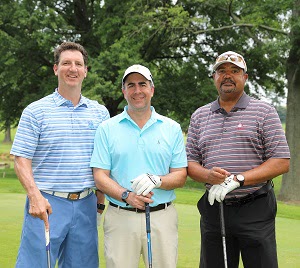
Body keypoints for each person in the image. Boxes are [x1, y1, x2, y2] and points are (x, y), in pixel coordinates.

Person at [186, 51, 290, 268]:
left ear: (245, 77)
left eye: (235, 71)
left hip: (255, 207)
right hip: (215, 209)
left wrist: (239, 179)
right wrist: (207, 175)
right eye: (221, 71)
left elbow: (281, 160)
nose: (227, 75)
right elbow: (190, 163)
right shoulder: (199, 116)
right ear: (214, 77)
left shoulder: (264, 112)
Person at [10, 41, 110, 268]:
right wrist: (34, 196)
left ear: (85, 71)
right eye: (66, 63)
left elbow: (103, 162)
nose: (72, 69)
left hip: (86, 203)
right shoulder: (36, 111)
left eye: (78, 64)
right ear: (56, 69)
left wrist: (100, 201)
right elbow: (21, 159)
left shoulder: (100, 112)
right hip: (46, 203)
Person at [90, 64, 187, 268]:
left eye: (142, 84)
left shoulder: (172, 128)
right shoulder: (107, 129)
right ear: (123, 91)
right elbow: (100, 175)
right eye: (130, 85)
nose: (137, 90)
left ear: (151, 89)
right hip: (120, 216)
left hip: (162, 216)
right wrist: (127, 195)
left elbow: (180, 175)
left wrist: (158, 180)